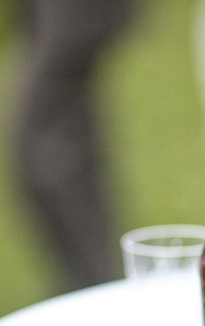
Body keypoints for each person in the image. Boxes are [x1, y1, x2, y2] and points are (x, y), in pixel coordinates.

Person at [14, 0, 134, 292]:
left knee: (43, 144)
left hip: (73, 15)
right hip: (56, 17)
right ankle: (90, 290)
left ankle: (96, 295)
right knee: (56, 145)